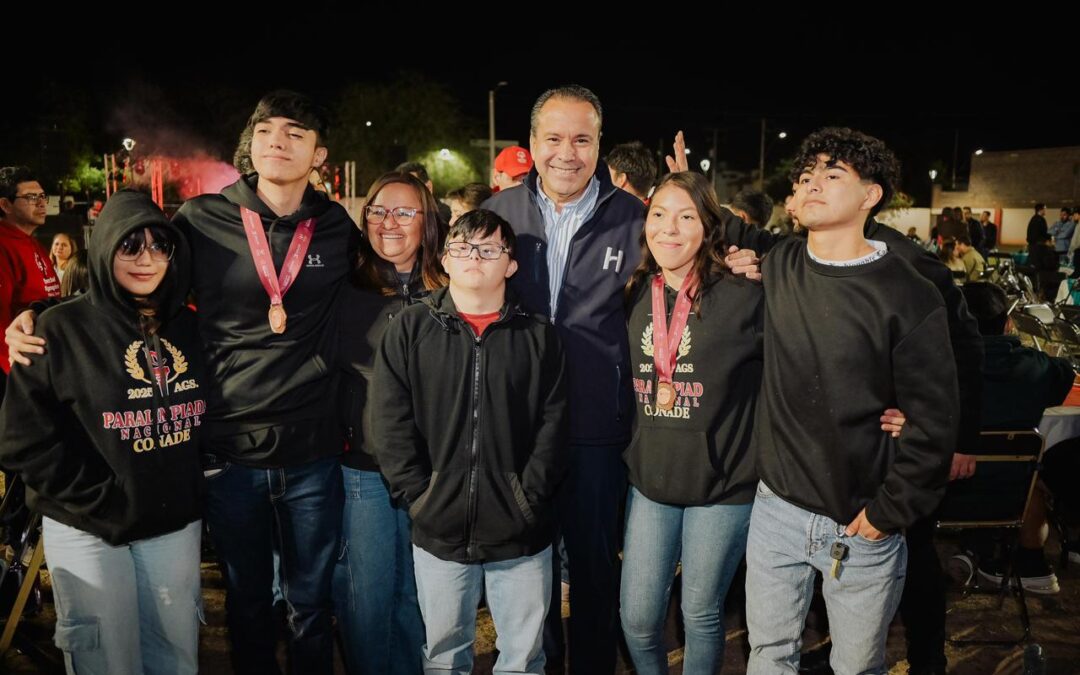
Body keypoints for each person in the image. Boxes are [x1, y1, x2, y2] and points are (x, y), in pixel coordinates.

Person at [746, 128, 959, 674]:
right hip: (777, 508)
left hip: (861, 522)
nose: (813, 183)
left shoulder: (909, 294)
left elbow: (934, 420)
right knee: (768, 656)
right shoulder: (778, 265)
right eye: (805, 175)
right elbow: (710, 231)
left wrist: (889, 513)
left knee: (857, 667)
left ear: (871, 195)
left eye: (832, 174)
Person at [0, 189, 206, 674]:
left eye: (160, 246)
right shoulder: (56, 329)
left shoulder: (191, 326)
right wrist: (98, 498)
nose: (146, 259)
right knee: (105, 662)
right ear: (105, 246)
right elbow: (20, 441)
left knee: (176, 659)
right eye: (130, 246)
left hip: (172, 525)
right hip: (89, 527)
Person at [372, 209, 568, 675]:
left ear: (511, 264)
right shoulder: (410, 328)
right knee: (443, 655)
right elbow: (389, 422)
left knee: (522, 658)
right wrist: (420, 498)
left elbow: (554, 427)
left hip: (520, 532)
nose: (473, 257)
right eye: (461, 247)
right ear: (445, 258)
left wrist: (529, 499)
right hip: (438, 525)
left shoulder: (539, 336)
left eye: (488, 248)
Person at [619, 171, 761, 675]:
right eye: (658, 215)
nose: (669, 229)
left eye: (686, 217)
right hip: (651, 481)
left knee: (700, 614)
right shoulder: (634, 291)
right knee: (636, 619)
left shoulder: (745, 292)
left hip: (723, 485)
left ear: (708, 226)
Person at [334, 171, 445, 675]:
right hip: (366, 470)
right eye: (379, 210)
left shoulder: (451, 291)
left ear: (428, 221)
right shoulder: (345, 288)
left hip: (433, 472)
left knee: (417, 598)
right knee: (366, 599)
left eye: (404, 211)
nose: (389, 222)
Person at [0, 167, 60, 382]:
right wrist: (14, 372)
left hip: (42, 365)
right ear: (5, 205)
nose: (41, 202)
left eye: (42, 196)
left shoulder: (32, 242)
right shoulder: (3, 244)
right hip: (18, 371)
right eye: (31, 197)